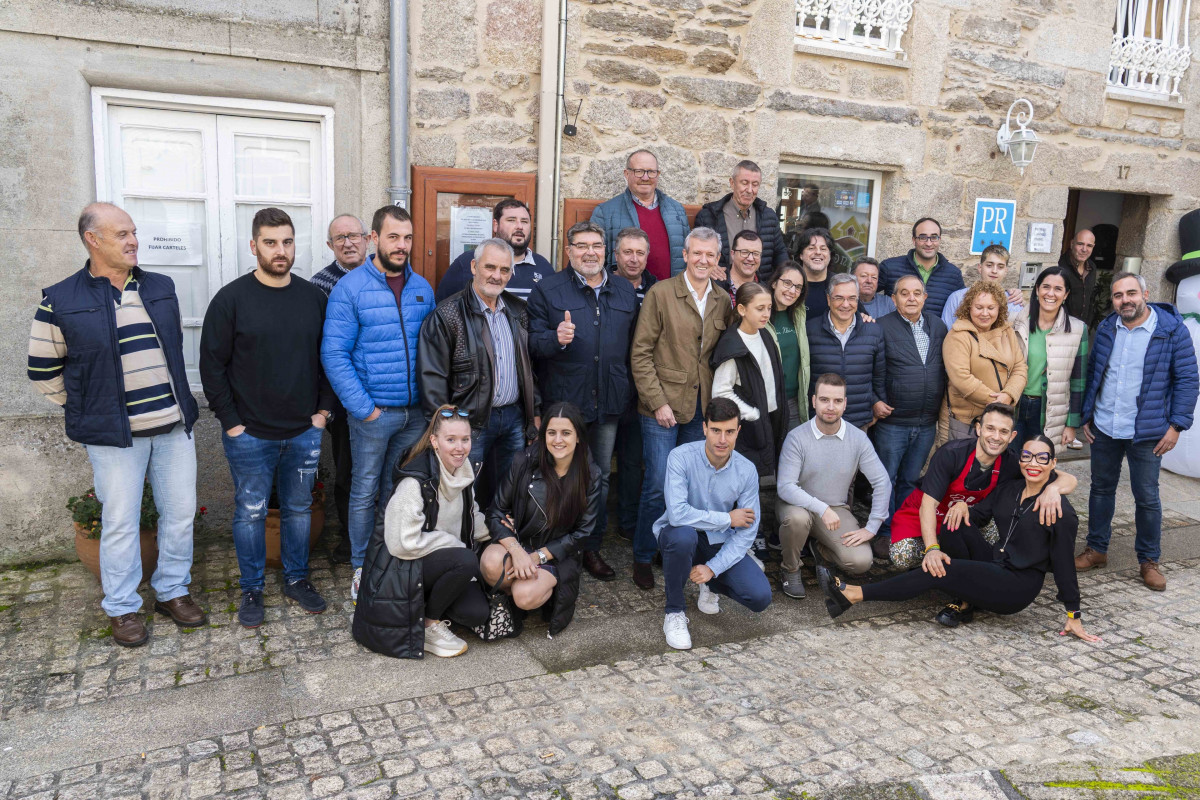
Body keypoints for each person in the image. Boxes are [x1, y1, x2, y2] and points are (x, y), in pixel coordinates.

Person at [28, 203, 203, 647]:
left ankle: (172, 591)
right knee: (121, 522)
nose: (133, 241)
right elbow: (41, 371)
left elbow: (172, 351)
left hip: (171, 425)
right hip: (114, 437)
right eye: (122, 234)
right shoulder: (60, 299)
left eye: (134, 232)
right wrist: (89, 406)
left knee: (180, 515)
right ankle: (123, 608)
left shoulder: (160, 287)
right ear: (93, 239)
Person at [819, 436, 1100, 645]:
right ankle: (966, 600)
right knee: (954, 523)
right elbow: (977, 516)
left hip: (1018, 585)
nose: (1033, 463)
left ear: (1053, 463)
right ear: (1020, 460)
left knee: (941, 568)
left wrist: (1073, 614)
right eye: (1027, 456)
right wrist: (963, 507)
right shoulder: (1010, 488)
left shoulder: (1060, 511)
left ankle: (853, 595)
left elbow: (1064, 563)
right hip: (996, 562)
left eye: (1042, 458)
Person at [201, 206, 333, 626]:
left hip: (303, 431)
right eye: (271, 243)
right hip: (250, 434)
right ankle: (252, 588)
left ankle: (296, 580)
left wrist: (323, 412)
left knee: (297, 509)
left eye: (288, 242)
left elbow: (329, 359)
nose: (281, 251)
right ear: (254, 245)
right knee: (251, 511)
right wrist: (232, 423)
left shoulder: (313, 297)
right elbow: (211, 366)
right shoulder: (230, 299)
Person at [322, 205, 436, 603]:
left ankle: (391, 558)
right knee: (364, 490)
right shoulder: (350, 288)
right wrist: (363, 408)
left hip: (414, 414)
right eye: (393, 237)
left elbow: (432, 349)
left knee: (399, 490)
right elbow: (334, 354)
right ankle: (360, 565)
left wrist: (429, 405)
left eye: (407, 238)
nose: (401, 245)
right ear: (374, 238)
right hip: (373, 414)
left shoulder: (422, 286)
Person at [527, 221, 638, 581]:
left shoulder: (624, 290)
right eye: (582, 245)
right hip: (565, 403)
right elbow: (530, 345)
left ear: (605, 251)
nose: (590, 252)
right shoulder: (548, 290)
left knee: (600, 477)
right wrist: (556, 338)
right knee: (558, 475)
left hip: (608, 401)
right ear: (569, 250)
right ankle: (555, 548)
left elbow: (636, 347)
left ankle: (591, 548)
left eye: (596, 245)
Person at [1076, 272, 1199, 592]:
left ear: (1145, 293)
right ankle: (1097, 549)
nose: (1125, 300)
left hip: (1148, 431)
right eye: (1118, 295)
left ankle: (1148, 560)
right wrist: (1086, 415)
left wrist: (1176, 426)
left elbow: (1188, 380)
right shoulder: (1106, 328)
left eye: (1131, 293)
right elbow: (1094, 373)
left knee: (1147, 497)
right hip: (1105, 426)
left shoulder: (1171, 330)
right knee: (1101, 489)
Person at [629, 227, 735, 589]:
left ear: (717, 260)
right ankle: (643, 555)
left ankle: (671, 549)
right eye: (697, 254)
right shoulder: (661, 294)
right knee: (658, 483)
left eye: (710, 255)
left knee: (690, 488)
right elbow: (640, 353)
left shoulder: (722, 299)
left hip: (699, 408)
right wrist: (657, 402)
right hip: (661, 407)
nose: (703, 260)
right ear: (685, 256)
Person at [353, 406, 490, 660]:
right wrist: (451, 543)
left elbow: (472, 517)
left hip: (437, 562)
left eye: (465, 439)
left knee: (476, 613)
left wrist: (502, 534)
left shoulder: (463, 472)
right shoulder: (414, 482)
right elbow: (401, 544)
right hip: (401, 569)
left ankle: (425, 604)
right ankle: (428, 624)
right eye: (451, 440)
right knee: (465, 560)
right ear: (434, 441)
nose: (460, 447)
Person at [418, 237, 540, 508]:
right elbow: (432, 377)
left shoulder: (518, 311)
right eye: (490, 267)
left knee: (509, 492)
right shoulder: (447, 315)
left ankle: (500, 545)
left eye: (505, 270)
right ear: (474, 266)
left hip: (512, 419)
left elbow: (529, 369)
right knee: (464, 496)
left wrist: (534, 413)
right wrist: (447, 427)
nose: (497, 276)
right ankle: (466, 548)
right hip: (469, 423)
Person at [887, 403, 1076, 575]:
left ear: (1012, 437)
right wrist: (932, 548)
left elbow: (1068, 478)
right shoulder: (951, 453)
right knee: (901, 556)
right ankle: (936, 560)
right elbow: (927, 505)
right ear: (978, 429)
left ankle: (974, 570)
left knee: (1003, 532)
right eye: (990, 428)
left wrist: (1053, 489)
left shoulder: (1011, 461)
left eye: (1003, 431)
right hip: (927, 514)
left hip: (965, 519)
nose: (996, 437)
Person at [655, 398, 772, 650]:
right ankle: (674, 612)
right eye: (716, 430)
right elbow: (677, 514)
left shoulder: (746, 470)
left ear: (738, 431)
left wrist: (713, 568)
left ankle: (708, 582)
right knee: (682, 536)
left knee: (760, 597)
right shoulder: (680, 457)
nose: (722, 439)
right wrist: (727, 518)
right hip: (679, 535)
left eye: (729, 431)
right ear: (705, 428)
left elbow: (746, 532)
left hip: (717, 542)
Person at [479, 402, 601, 637]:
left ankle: (538, 592)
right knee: (491, 563)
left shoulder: (591, 475)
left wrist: (537, 557)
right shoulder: (523, 461)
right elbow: (495, 511)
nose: (558, 440)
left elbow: (582, 533)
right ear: (543, 435)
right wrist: (516, 551)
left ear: (577, 438)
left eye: (566, 433)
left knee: (525, 596)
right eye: (551, 432)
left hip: (556, 553)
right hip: (520, 541)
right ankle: (508, 602)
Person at [776, 374, 890, 597]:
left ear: (845, 404)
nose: (831, 407)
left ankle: (820, 549)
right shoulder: (797, 437)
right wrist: (821, 508)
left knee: (861, 562)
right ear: (813, 401)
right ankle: (790, 569)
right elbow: (785, 487)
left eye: (837, 401)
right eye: (824, 399)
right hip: (796, 505)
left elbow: (882, 481)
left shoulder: (857, 438)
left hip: (835, 509)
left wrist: (872, 527)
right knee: (797, 520)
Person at [311, 214, 369, 564]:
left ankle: (382, 539)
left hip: (384, 394)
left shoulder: (384, 275)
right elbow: (322, 348)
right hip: (344, 399)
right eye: (339, 238)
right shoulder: (320, 285)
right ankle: (350, 542)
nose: (348, 243)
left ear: (368, 238)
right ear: (330, 245)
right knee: (348, 471)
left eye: (354, 235)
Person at [874, 274, 947, 550]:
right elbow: (867, 368)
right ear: (894, 299)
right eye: (904, 293)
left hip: (926, 422)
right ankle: (883, 530)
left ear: (925, 298)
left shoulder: (938, 327)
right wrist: (874, 400)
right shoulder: (880, 327)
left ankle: (902, 529)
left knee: (910, 480)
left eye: (917, 293)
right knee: (885, 479)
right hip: (893, 421)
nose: (911, 298)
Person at [711, 282, 787, 478]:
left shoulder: (765, 335)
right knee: (743, 479)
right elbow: (720, 392)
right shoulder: (733, 345)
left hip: (770, 418)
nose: (766, 314)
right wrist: (752, 413)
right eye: (760, 308)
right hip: (748, 426)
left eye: (769, 308)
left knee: (760, 476)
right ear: (742, 309)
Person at [1011, 266, 1089, 451]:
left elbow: (1078, 382)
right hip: (1015, 404)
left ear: (1066, 294)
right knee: (1007, 462)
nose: (1050, 294)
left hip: (1048, 410)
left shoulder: (1078, 330)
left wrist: (1071, 424)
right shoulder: (1014, 321)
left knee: (1038, 463)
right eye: (1046, 287)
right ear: (1037, 289)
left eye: (1058, 289)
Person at [611, 227, 656, 543]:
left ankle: (627, 522)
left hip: (642, 389)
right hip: (609, 384)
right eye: (628, 252)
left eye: (640, 252)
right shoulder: (605, 286)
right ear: (616, 255)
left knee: (632, 460)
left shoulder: (656, 288)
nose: (634, 258)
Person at [943, 281, 1028, 440]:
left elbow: (1020, 367)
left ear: (1000, 308)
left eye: (991, 308)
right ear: (969, 307)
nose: (985, 313)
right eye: (979, 307)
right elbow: (962, 379)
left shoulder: (1007, 331)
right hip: (969, 421)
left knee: (995, 465)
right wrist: (998, 401)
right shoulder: (958, 336)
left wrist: (1009, 394)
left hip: (1002, 418)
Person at [591, 149, 690, 281]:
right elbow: (595, 259)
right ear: (627, 174)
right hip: (625, 294)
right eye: (639, 171)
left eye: (651, 172)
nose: (645, 177)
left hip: (670, 295)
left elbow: (690, 253)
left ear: (658, 174)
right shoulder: (605, 212)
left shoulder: (677, 210)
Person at [805, 273, 886, 429]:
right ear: (828, 299)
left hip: (859, 421)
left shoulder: (874, 331)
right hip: (819, 420)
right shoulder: (809, 330)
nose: (845, 304)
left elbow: (879, 376)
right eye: (839, 298)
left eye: (852, 298)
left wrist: (875, 409)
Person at [434, 199, 550, 303]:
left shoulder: (543, 267)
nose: (519, 226)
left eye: (524, 221)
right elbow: (443, 311)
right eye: (511, 220)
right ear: (495, 225)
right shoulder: (466, 263)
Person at [693, 160, 788, 277]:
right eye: (744, 183)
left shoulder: (769, 217)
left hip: (759, 289)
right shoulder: (709, 216)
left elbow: (780, 253)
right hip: (721, 289)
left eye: (755, 184)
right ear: (732, 183)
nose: (749, 190)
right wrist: (709, 266)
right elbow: (695, 252)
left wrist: (783, 278)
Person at [880, 217, 965, 318]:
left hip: (936, 333)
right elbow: (863, 294)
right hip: (895, 332)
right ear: (914, 240)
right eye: (922, 237)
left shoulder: (953, 274)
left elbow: (964, 309)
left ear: (940, 239)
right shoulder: (890, 267)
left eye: (934, 237)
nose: (929, 243)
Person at [765, 261, 811, 430]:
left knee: (792, 454)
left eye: (798, 287)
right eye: (787, 283)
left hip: (793, 401)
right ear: (774, 282)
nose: (792, 291)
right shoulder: (759, 314)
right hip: (765, 403)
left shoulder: (799, 314)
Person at [941, 245, 1024, 327]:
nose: (994, 271)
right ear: (980, 268)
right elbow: (947, 333)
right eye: (989, 265)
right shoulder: (957, 298)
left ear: (1005, 271)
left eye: (1000, 267)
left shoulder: (1014, 302)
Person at [1060, 229, 1098, 329]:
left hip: (1082, 327)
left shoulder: (1092, 267)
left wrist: (1088, 323)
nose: (1084, 249)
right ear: (1072, 244)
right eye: (1080, 244)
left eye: (1089, 246)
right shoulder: (1060, 266)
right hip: (1061, 327)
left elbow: (1090, 298)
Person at [795, 227, 836, 317]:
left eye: (823, 249)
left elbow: (860, 315)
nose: (818, 252)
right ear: (801, 255)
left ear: (830, 255)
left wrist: (864, 316)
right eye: (811, 248)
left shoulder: (840, 284)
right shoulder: (790, 284)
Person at [717, 230, 765, 305]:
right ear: (732, 254)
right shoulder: (715, 286)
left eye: (756, 253)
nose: (750, 258)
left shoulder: (765, 291)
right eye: (744, 252)